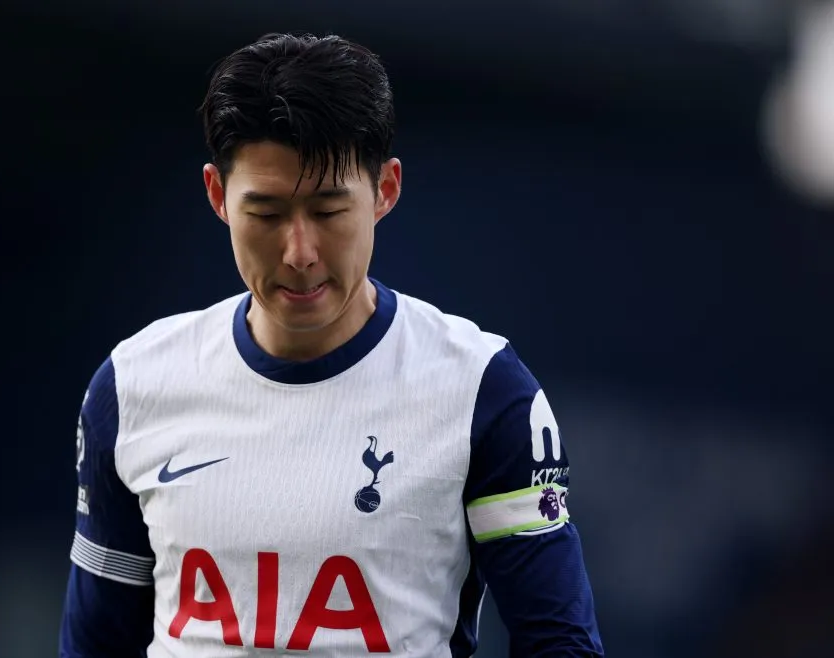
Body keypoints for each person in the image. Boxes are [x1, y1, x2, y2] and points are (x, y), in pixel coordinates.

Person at [58, 32, 604, 657]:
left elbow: (559, 643)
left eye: (328, 211)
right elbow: (95, 645)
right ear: (217, 196)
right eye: (264, 214)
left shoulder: (482, 391)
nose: (299, 253)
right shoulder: (133, 386)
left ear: (385, 191)